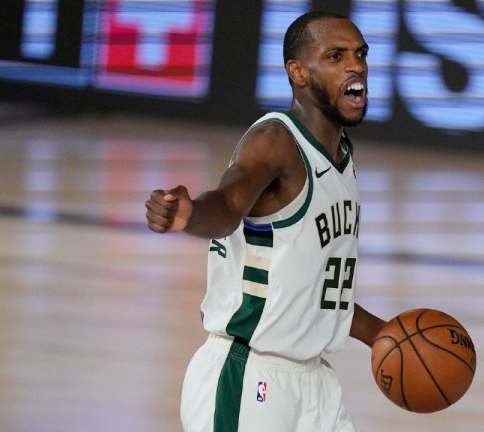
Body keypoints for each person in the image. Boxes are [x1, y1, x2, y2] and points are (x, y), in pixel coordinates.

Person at [144, 10, 385, 432]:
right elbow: (228, 205)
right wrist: (190, 214)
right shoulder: (276, 141)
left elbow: (313, 286)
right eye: (336, 55)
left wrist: (384, 333)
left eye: (360, 54)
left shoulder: (341, 156)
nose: (355, 65)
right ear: (299, 73)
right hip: (250, 375)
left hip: (314, 381)